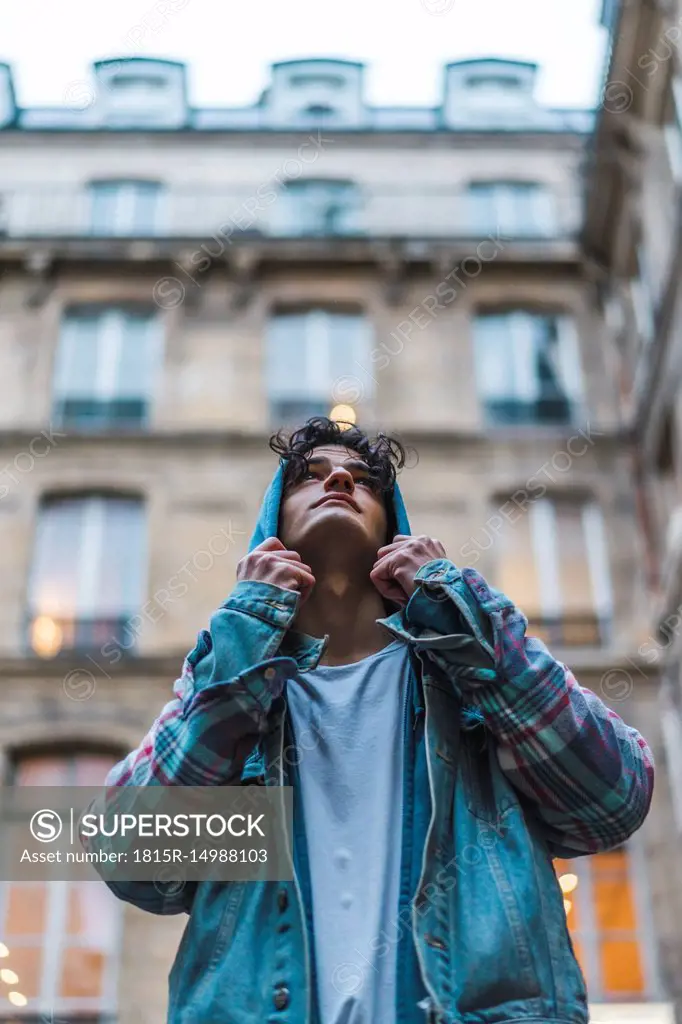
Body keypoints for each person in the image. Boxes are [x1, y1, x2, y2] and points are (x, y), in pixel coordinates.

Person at [87, 416, 654, 1024]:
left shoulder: (463, 671)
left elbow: (611, 797)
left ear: (393, 527)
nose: (338, 478)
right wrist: (245, 633)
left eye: (362, 480)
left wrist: (456, 606)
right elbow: (132, 859)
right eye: (311, 475)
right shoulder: (231, 680)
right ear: (271, 526)